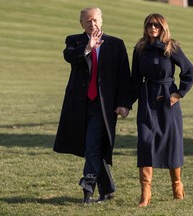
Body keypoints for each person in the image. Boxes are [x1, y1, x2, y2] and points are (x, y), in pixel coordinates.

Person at [53, 7, 131, 204]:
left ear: (101, 21)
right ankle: (108, 189)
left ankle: (87, 189)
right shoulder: (74, 41)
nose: (92, 23)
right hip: (78, 106)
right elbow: (69, 56)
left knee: (93, 146)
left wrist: (124, 104)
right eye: (87, 21)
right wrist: (88, 47)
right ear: (82, 24)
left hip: (104, 107)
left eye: (95, 20)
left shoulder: (116, 44)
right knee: (92, 148)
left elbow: (124, 77)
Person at [130, 13, 193, 207]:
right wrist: (125, 103)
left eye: (157, 25)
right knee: (144, 142)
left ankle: (177, 187)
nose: (153, 28)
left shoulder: (171, 46)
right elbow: (135, 80)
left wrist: (178, 94)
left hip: (168, 101)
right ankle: (145, 194)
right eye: (149, 25)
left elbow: (190, 71)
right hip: (147, 99)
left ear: (163, 27)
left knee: (172, 142)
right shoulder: (139, 48)